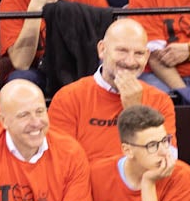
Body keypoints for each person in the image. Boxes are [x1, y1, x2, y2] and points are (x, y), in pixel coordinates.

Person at [47, 16, 175, 157]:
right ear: (102, 50)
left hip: (139, 177)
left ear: (147, 56)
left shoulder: (160, 100)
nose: (130, 61)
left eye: (139, 53)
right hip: (88, 177)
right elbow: (60, 161)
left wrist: (135, 111)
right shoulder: (68, 97)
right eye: (122, 51)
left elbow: (167, 159)